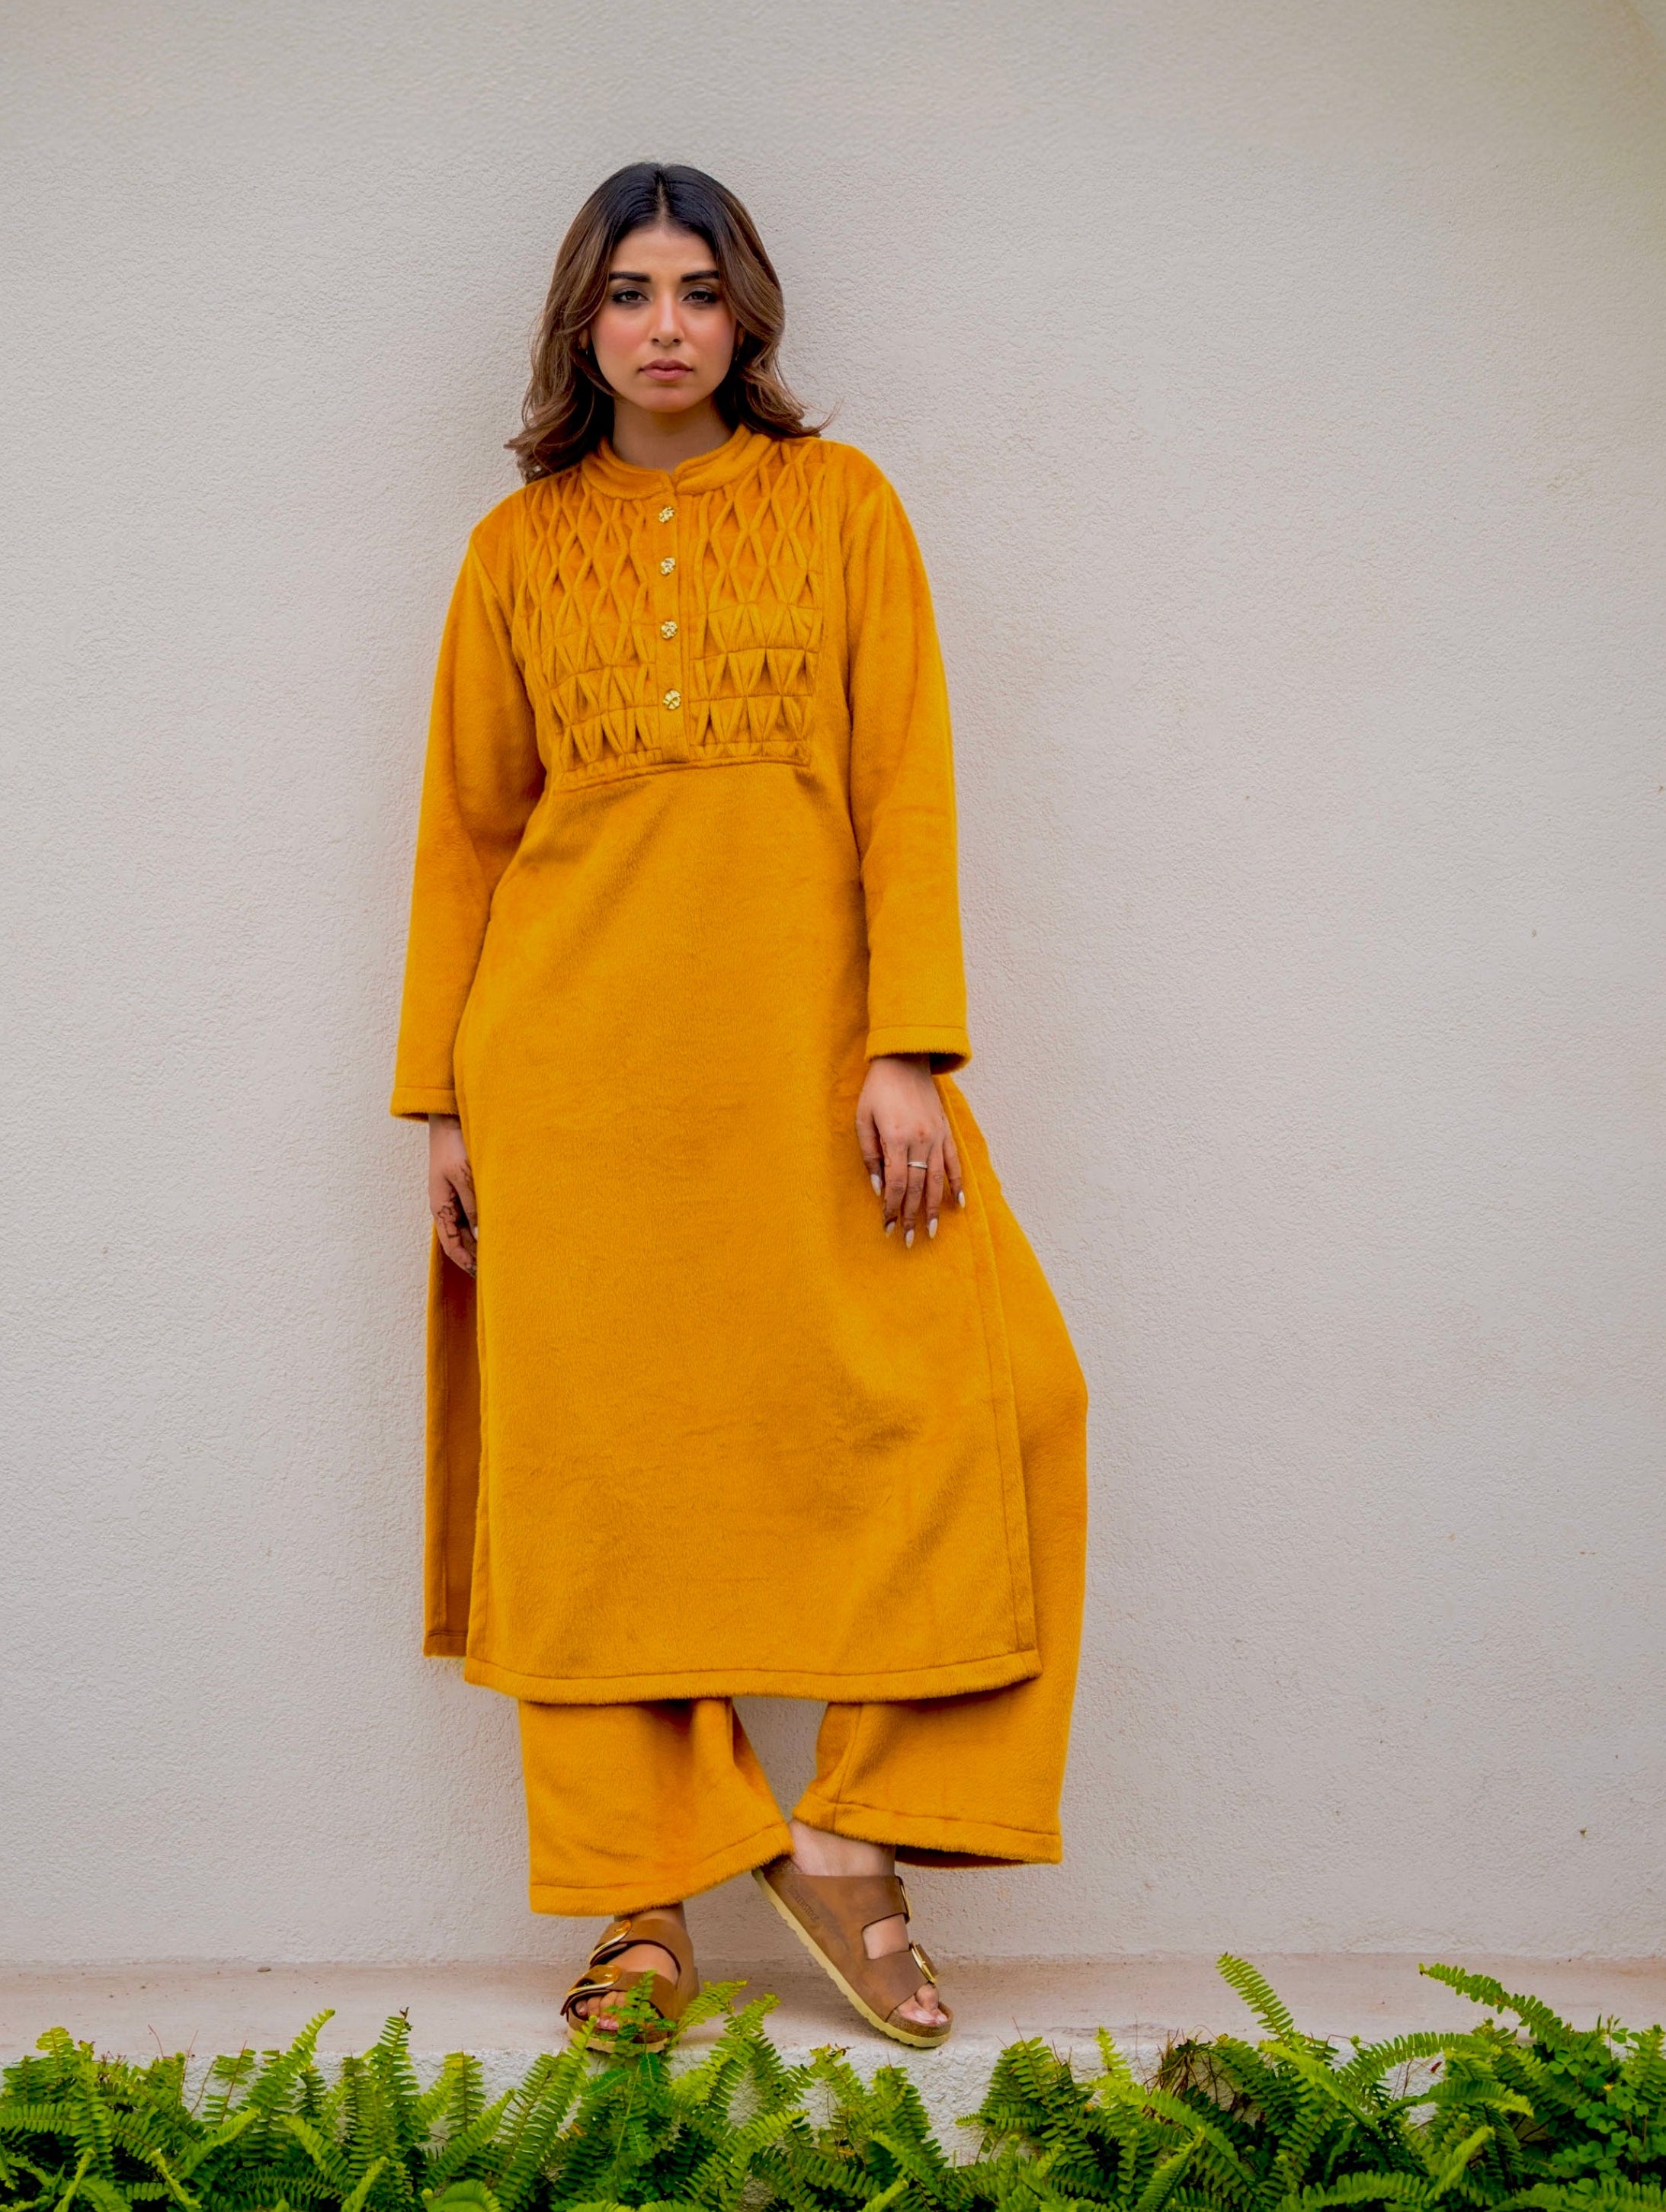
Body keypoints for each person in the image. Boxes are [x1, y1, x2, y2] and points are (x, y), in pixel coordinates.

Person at [391, 162, 1088, 2052]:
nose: (667, 326)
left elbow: (904, 779)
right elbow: (467, 834)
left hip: (809, 1054)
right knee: (599, 1478)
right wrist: (441, 1101)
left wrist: (906, 1047)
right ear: (581, 321)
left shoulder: (840, 504)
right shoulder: (513, 548)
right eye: (630, 292)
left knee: (1013, 1401)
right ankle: (642, 1902)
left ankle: (845, 1845)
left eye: (699, 291)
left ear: (746, 315)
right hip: (567, 1073)